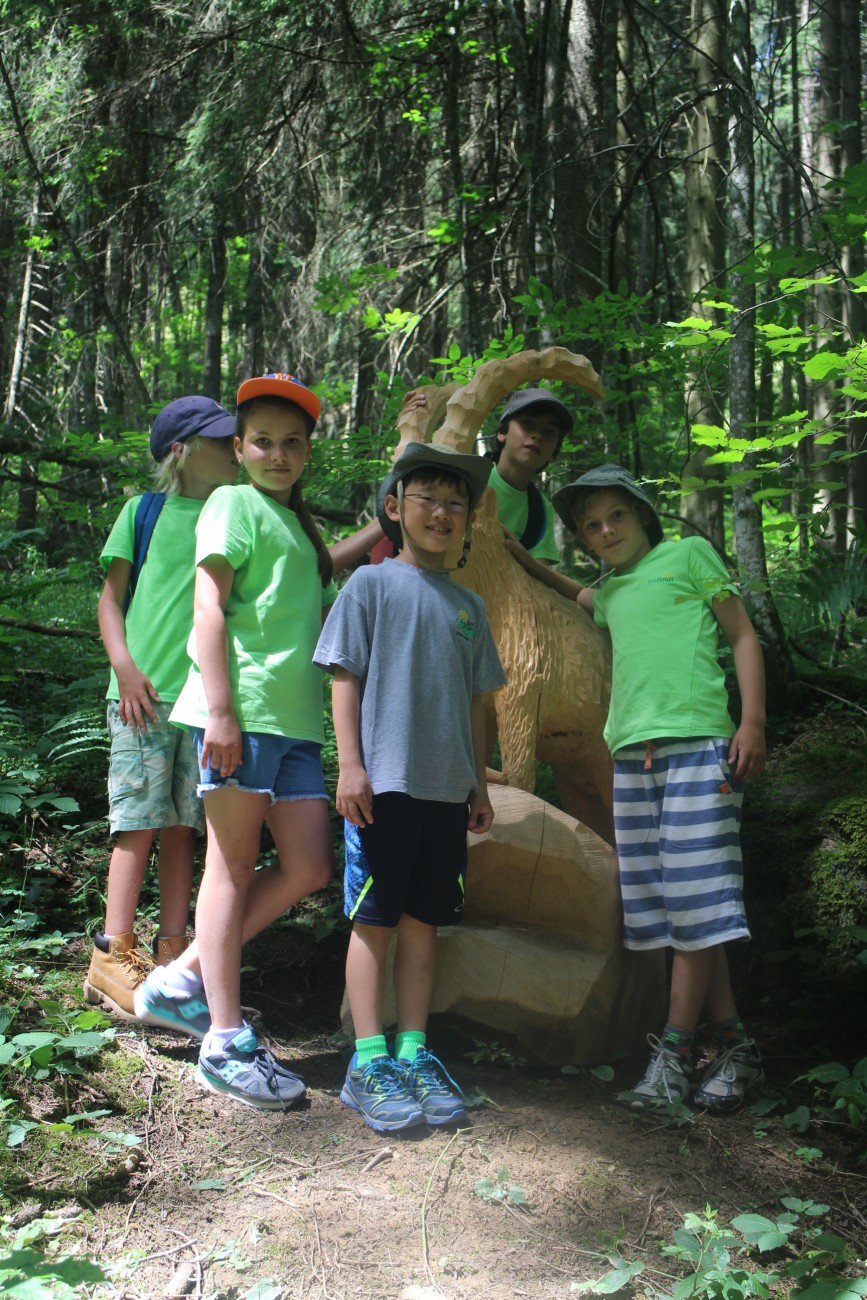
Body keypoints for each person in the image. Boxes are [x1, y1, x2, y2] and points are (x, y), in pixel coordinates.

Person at [134, 373, 336, 1111]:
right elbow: (208, 606)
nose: (277, 454)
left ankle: (184, 977)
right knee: (233, 867)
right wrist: (220, 711)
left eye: (292, 443)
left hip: (296, 724)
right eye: (262, 442)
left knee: (310, 865)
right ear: (241, 447)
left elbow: (313, 599)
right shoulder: (232, 503)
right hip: (242, 717)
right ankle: (222, 1041)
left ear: (307, 452)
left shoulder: (297, 526)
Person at [552, 464, 766, 1113]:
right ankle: (736, 1048)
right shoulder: (610, 592)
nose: (605, 531)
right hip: (632, 759)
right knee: (678, 912)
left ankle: (673, 1054)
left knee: (695, 905)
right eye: (591, 526)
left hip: (698, 746)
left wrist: (752, 722)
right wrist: (516, 557)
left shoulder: (688, 554)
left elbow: (741, 634)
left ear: (642, 514)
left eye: (615, 515)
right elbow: (577, 595)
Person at [314, 442, 506, 1133]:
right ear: (395, 509)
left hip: (447, 793)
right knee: (375, 921)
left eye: (456, 504)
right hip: (383, 788)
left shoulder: (469, 606)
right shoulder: (369, 585)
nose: (442, 513)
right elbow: (344, 678)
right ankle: (367, 1062)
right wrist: (350, 766)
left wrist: (479, 784)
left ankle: (414, 1052)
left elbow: (478, 705)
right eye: (428, 500)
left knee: (425, 923)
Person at [84, 397, 239, 1019]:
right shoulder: (143, 512)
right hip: (143, 697)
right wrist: (124, 668)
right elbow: (110, 599)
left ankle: (172, 955)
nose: (234, 449)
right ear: (180, 450)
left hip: (203, 702)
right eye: (220, 440)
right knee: (138, 823)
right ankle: (111, 954)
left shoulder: (234, 514)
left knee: (183, 828)